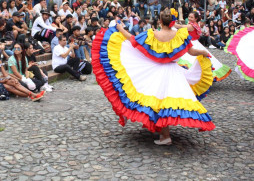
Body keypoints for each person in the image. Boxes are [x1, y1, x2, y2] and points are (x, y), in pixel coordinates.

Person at [92, 10, 215, 145]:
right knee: (167, 102)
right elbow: (192, 52)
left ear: (160, 21)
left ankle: (165, 135)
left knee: (158, 101)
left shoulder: (153, 35)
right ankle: (164, 133)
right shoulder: (180, 35)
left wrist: (120, 28)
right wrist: (203, 52)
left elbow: (132, 39)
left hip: (157, 71)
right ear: (172, 22)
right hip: (174, 72)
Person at [175, 11, 231, 81]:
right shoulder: (194, 24)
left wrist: (172, 24)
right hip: (194, 43)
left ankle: (191, 78)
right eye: (189, 16)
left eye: (192, 17)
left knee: (190, 61)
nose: (189, 18)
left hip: (192, 44)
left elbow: (181, 26)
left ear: (196, 19)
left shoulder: (191, 26)